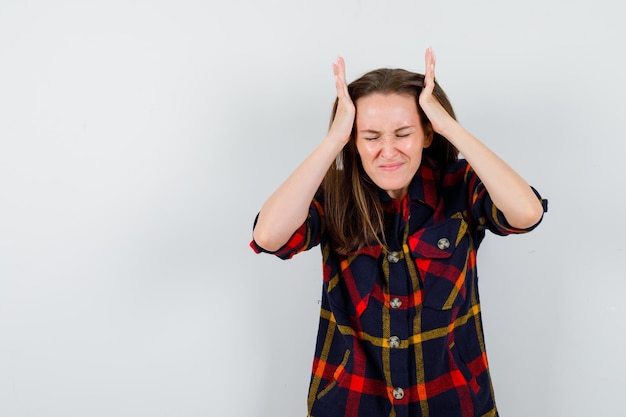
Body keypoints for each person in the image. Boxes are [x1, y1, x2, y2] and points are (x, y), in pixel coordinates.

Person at [250, 47, 547, 417]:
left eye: (403, 133)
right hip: (350, 404)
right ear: (354, 143)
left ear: (425, 134)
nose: (388, 151)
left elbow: (527, 214)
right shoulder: (335, 194)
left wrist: (450, 127)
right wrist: (333, 141)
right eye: (370, 137)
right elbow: (268, 237)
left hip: (453, 403)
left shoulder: (459, 185)